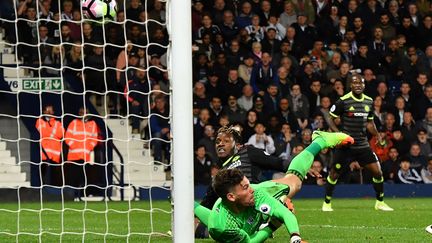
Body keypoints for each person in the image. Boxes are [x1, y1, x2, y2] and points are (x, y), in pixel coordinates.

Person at [194, 130, 354, 242]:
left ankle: (320, 140)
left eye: (225, 141)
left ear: (236, 144)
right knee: (205, 231)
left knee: (294, 182)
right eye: (217, 141)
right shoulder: (220, 178)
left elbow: (276, 162)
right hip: (240, 211)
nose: (220, 144)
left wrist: (300, 166)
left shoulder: (246, 153)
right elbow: (204, 205)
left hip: (262, 192)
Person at [322, 74, 394, 211]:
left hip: (362, 145)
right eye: (355, 83)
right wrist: (339, 134)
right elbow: (330, 118)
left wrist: (378, 136)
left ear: (364, 85)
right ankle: (327, 202)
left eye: (360, 83)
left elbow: (370, 123)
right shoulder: (343, 101)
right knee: (334, 174)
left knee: (378, 172)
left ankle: (380, 202)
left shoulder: (368, 101)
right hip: (346, 146)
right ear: (350, 85)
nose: (357, 86)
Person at [64, 107, 100, 198]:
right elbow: (67, 138)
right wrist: (76, 147)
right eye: (81, 112)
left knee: (85, 177)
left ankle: (85, 195)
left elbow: (94, 139)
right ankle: (72, 196)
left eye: (85, 112)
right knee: (73, 177)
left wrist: (88, 148)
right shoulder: (74, 123)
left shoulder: (92, 124)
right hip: (74, 156)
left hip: (86, 156)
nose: (83, 114)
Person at [35, 104, 64, 186]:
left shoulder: (58, 123)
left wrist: (49, 132)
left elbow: (61, 134)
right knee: (42, 177)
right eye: (47, 110)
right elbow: (42, 132)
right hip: (43, 156)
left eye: (51, 111)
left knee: (55, 178)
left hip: (55, 156)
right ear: (44, 111)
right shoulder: (39, 121)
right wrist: (53, 133)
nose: (49, 112)